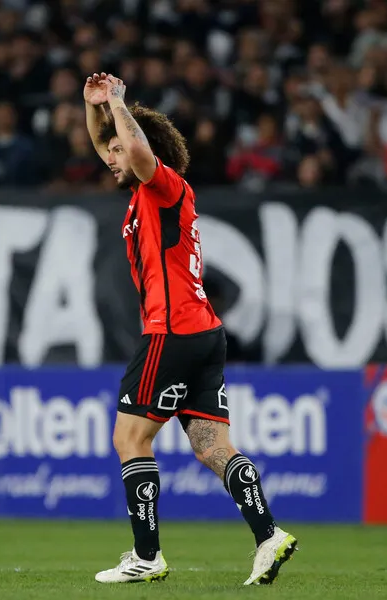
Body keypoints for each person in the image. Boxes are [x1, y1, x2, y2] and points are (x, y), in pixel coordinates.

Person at [83, 72, 297, 586]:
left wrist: (118, 102)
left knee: (129, 437)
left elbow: (133, 147)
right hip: (204, 333)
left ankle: (146, 555)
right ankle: (269, 536)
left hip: (172, 331)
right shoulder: (148, 191)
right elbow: (113, 146)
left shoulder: (163, 186)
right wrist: (95, 107)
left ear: (143, 149)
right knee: (212, 447)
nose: (109, 157)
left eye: (118, 148)